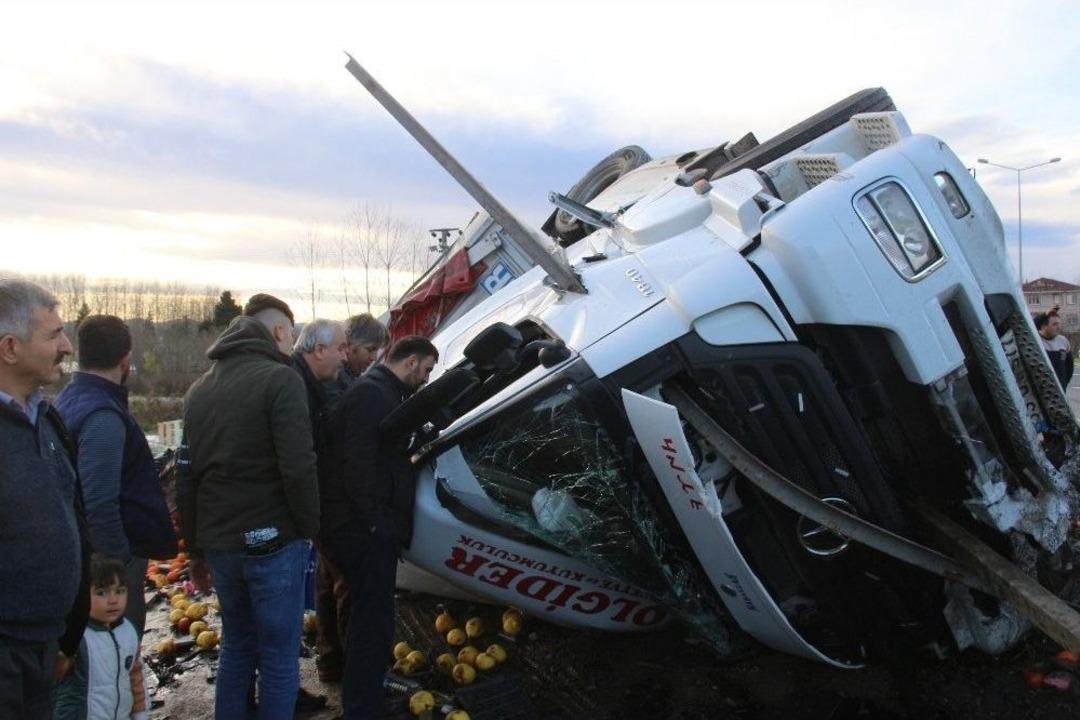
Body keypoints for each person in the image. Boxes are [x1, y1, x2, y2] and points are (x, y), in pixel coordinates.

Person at [178, 293, 320, 720]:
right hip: (273, 541)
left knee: (237, 645)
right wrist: (311, 526)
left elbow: (187, 476)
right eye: (292, 335)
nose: (292, 344)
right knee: (278, 656)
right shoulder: (281, 380)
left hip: (221, 543)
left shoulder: (199, 390)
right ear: (279, 332)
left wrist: (196, 548)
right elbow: (299, 467)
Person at [326, 335, 438, 718]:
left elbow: (384, 449)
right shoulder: (371, 396)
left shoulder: (381, 394)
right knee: (372, 621)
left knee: (366, 616)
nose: (424, 379)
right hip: (362, 529)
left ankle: (364, 695)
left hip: (362, 525)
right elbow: (357, 466)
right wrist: (377, 524)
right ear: (410, 362)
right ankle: (363, 707)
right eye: (424, 370)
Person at [0, 278, 89, 719]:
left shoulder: (47, 419)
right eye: (53, 335)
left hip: (44, 646)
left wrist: (66, 635)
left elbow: (73, 517)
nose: (67, 346)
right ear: (10, 348)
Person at [54, 315, 176, 637]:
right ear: (126, 361)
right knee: (116, 653)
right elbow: (99, 501)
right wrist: (117, 568)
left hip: (88, 554)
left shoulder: (69, 398)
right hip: (108, 563)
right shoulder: (102, 416)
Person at [288, 320, 353, 683]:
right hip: (304, 510)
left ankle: (331, 663)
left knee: (328, 582)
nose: (345, 357)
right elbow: (301, 455)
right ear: (318, 350)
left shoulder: (312, 384)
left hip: (312, 506)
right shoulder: (295, 386)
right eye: (341, 348)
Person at [53, 554, 149, 720]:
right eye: (102, 593)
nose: (113, 600)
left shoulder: (128, 632)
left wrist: (140, 714)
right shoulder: (75, 636)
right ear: (81, 595)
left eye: (120, 591)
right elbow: (52, 678)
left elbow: (136, 679)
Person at [325, 314, 390, 407]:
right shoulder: (334, 379)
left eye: (376, 351)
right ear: (351, 344)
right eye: (370, 350)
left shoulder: (344, 379)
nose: (374, 358)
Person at [1036, 310, 1074, 390]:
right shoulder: (1035, 341)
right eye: (1055, 324)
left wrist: (1063, 385)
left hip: (1059, 392)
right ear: (1043, 326)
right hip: (1040, 392)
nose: (1058, 327)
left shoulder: (1063, 341)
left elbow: (1069, 367)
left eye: (1059, 323)